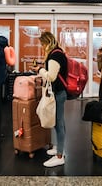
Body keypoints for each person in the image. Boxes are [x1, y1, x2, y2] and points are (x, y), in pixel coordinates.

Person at [32, 31, 68, 168]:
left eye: (42, 44)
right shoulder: (58, 53)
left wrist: (40, 70)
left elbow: (51, 76)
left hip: (58, 94)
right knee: (60, 122)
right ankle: (60, 148)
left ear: (47, 43)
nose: (42, 47)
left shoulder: (55, 55)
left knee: (58, 124)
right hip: (59, 92)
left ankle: (60, 156)